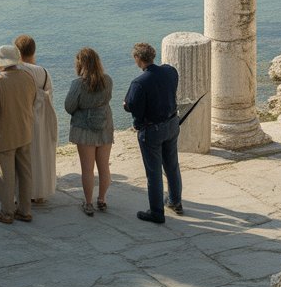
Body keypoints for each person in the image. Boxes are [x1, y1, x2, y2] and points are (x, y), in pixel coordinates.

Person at [124, 41, 182, 225]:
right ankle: (175, 201)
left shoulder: (139, 83)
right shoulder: (170, 71)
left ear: (138, 59)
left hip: (152, 131)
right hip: (172, 124)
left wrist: (127, 106)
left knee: (154, 172)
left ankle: (157, 212)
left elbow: (132, 106)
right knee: (172, 165)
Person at [0, 44, 36, 225]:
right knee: (25, 173)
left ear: (1, 62)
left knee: (5, 175)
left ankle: (6, 212)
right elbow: (33, 100)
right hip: (25, 132)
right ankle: (25, 210)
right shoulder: (28, 77)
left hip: (4, 135)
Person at [64, 47, 114, 216]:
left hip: (84, 129)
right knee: (104, 167)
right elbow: (107, 99)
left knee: (87, 169)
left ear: (80, 64)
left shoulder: (78, 84)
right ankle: (102, 199)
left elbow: (69, 106)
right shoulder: (108, 80)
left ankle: (88, 203)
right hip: (104, 126)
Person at [15, 34, 58, 204]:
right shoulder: (44, 72)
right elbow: (50, 97)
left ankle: (21, 194)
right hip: (41, 121)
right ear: (34, 50)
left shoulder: (16, 71)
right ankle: (40, 193)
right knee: (41, 156)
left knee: (22, 159)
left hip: (21, 120)